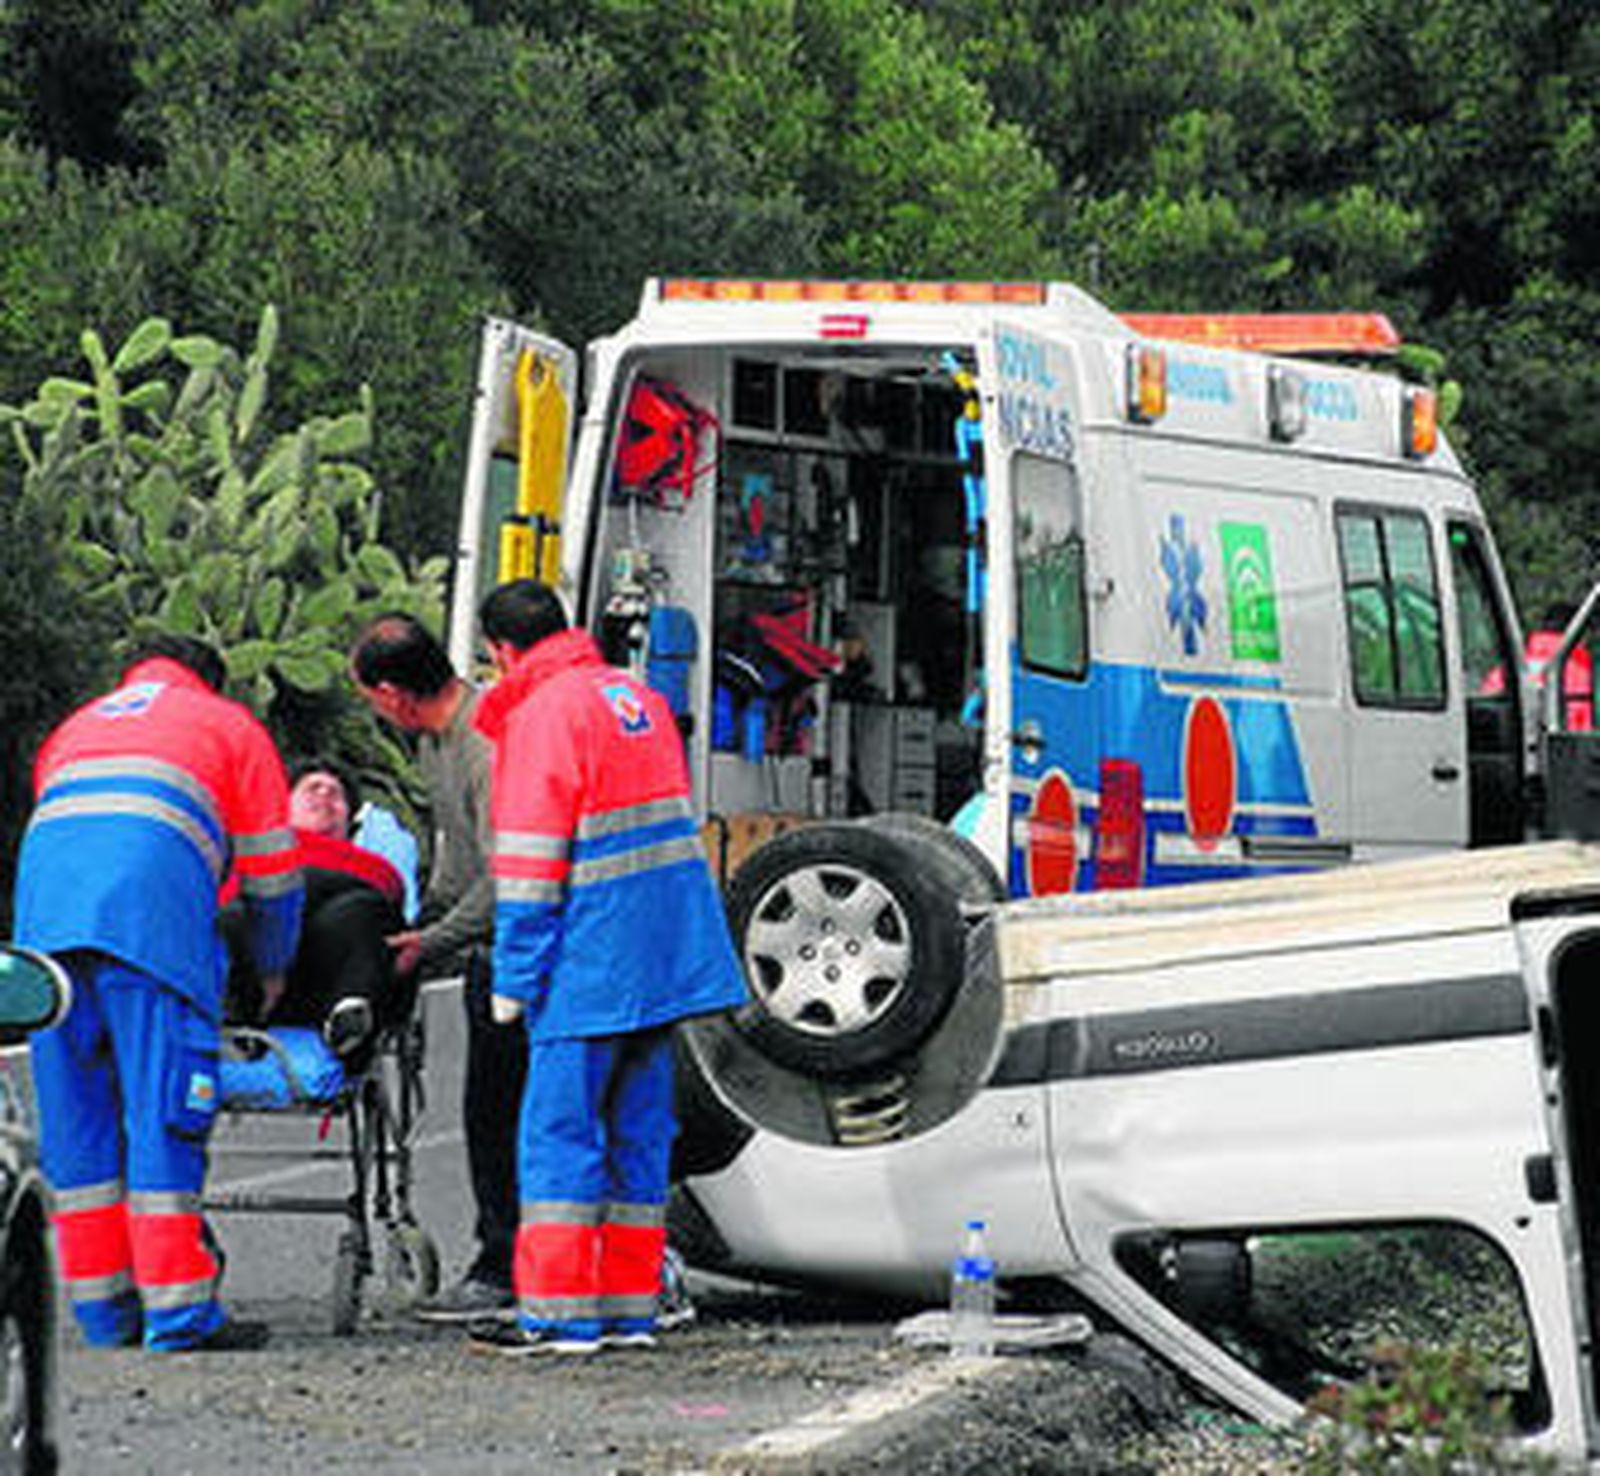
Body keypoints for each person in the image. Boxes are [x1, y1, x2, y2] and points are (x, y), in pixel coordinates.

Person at [464, 580, 747, 1356]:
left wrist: (514, 981)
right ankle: (628, 1310)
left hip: (589, 959)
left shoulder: (541, 715)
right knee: (638, 1134)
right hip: (661, 957)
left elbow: (527, 867)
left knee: (560, 1134)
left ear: (501, 651)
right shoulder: (636, 696)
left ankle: (558, 1316)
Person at [13, 633, 303, 1352]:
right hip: (150, 933)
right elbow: (273, 877)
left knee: (78, 1130)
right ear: (211, 681)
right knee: (163, 1115)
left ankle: (104, 1314)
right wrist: (271, 968)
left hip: (43, 937)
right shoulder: (229, 726)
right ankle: (179, 1312)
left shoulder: (75, 728)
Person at [349, 612, 522, 1319]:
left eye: (369, 698)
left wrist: (433, 941)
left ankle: (503, 1263)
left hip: (522, 949)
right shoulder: (434, 745)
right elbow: (458, 862)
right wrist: (413, 925)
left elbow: (506, 871)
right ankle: (511, 1258)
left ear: (391, 693)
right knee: (495, 1109)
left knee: (501, 1112)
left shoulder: (483, 746)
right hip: (487, 944)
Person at [222, 758, 409, 1058]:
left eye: (336, 794)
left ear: (351, 819)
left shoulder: (377, 869)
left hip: (326, 972)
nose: (325, 796)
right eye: (312, 789)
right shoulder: (243, 853)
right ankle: (234, 1022)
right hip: (252, 965)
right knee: (237, 914)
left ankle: (348, 1016)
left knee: (361, 910)